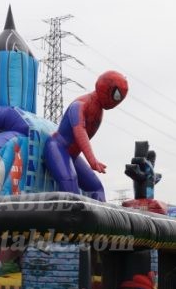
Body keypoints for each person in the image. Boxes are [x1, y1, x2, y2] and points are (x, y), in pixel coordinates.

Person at [44, 70, 129, 200]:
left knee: (97, 188)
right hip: (57, 147)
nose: (117, 101)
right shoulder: (79, 105)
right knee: (70, 181)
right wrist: (92, 160)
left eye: (120, 98)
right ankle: (70, 212)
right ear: (106, 89)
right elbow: (79, 131)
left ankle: (98, 214)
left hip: (72, 155)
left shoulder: (98, 110)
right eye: (117, 96)